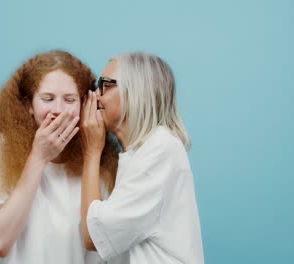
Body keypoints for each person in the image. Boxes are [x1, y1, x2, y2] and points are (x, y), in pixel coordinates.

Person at [0, 50, 119, 264]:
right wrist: (39, 157)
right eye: (47, 99)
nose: (58, 110)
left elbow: (107, 244)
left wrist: (93, 153)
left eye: (69, 100)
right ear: (28, 106)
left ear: (84, 104)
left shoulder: (100, 159)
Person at [80, 52, 204, 263]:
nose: (97, 95)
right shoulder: (140, 154)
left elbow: (93, 237)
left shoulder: (160, 151)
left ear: (135, 92)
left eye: (106, 85)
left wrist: (91, 152)